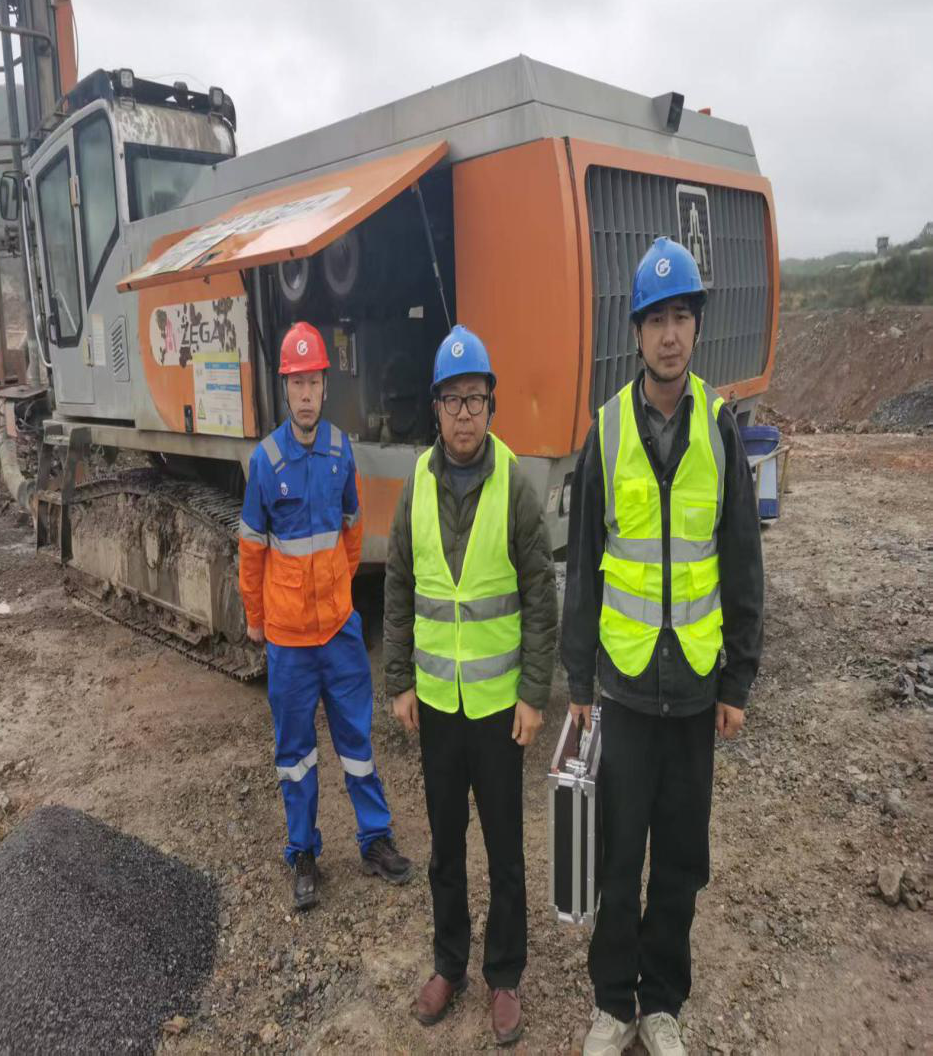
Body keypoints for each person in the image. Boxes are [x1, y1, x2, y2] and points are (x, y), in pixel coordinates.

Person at [562, 238, 764, 1056]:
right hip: (625, 685)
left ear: (696, 327)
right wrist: (579, 680)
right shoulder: (607, 430)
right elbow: (583, 564)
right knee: (618, 859)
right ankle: (614, 1005)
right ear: (636, 333)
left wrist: (737, 682)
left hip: (694, 691)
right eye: (656, 320)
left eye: (682, 316)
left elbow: (742, 559)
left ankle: (662, 1004)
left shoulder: (719, 426)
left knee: (681, 859)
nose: (670, 334)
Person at [384, 325, 558, 1046]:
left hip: (496, 709)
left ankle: (505, 975)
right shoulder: (416, 486)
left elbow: (541, 594)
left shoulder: (514, 483)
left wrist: (534, 693)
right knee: (445, 848)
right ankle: (449, 964)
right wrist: (399, 680)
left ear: (491, 405)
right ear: (436, 408)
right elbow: (399, 585)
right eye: (452, 399)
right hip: (436, 704)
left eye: (475, 399)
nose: (464, 412)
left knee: (505, 850)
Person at [239, 320, 412, 910]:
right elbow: (251, 549)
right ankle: (303, 853)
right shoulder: (266, 462)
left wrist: (337, 590)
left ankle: (375, 840)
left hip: (338, 632)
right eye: (297, 383)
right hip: (289, 642)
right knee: (296, 756)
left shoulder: (341, 452)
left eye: (314, 381)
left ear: (325, 386)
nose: (307, 394)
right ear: (285, 389)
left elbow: (353, 531)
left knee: (357, 742)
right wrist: (257, 616)